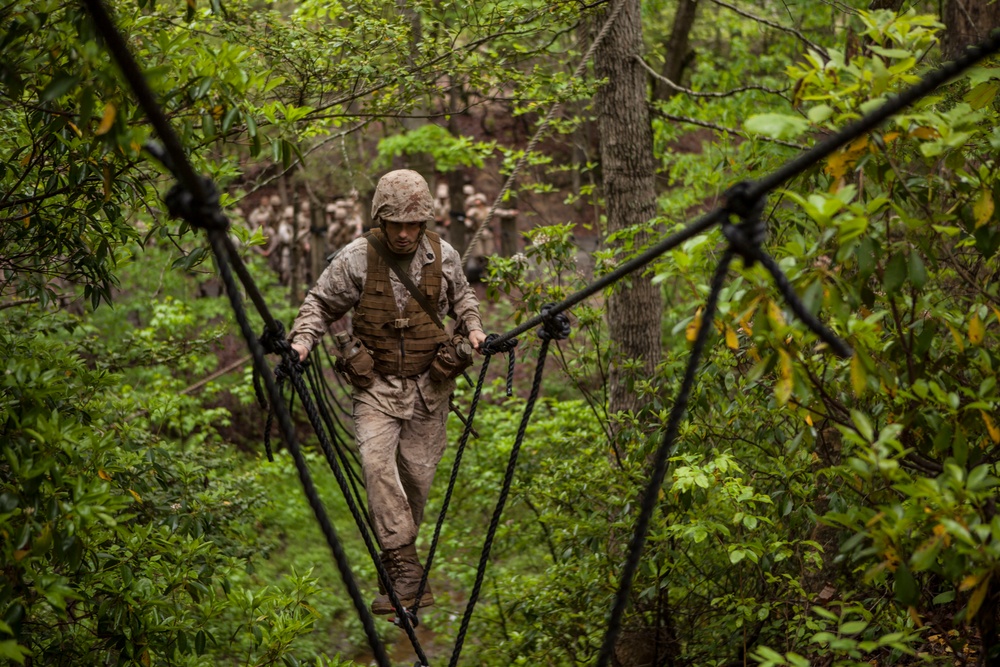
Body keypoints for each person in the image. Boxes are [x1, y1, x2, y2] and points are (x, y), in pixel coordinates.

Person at [288, 169, 487, 614]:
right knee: (376, 464)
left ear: (423, 222)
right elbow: (320, 302)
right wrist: (302, 341)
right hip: (376, 386)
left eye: (411, 224)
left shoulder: (444, 256)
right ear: (380, 219)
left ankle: (401, 570)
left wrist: (474, 331)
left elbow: (464, 300)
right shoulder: (357, 257)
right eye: (394, 223)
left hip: (430, 388)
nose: (403, 233)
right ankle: (405, 566)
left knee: (415, 482)